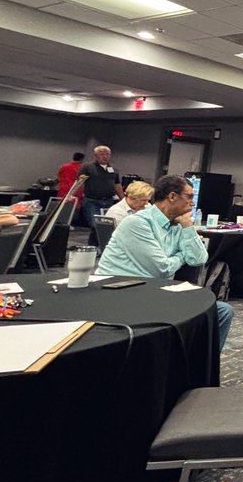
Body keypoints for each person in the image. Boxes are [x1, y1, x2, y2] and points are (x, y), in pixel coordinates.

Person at [97, 175, 233, 349]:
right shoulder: (138, 223)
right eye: (189, 197)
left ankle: (200, 365)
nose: (193, 203)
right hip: (121, 293)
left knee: (222, 311)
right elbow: (162, 269)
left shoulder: (178, 223)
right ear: (172, 196)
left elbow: (199, 259)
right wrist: (182, 255)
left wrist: (187, 227)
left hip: (155, 292)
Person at [79, 146, 123, 242]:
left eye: (107, 154)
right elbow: (79, 182)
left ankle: (96, 246)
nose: (105, 156)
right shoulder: (87, 167)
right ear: (96, 156)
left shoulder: (113, 169)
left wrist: (123, 199)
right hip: (92, 201)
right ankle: (94, 245)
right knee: (96, 225)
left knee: (106, 226)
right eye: (102, 154)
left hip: (109, 201)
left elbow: (117, 184)